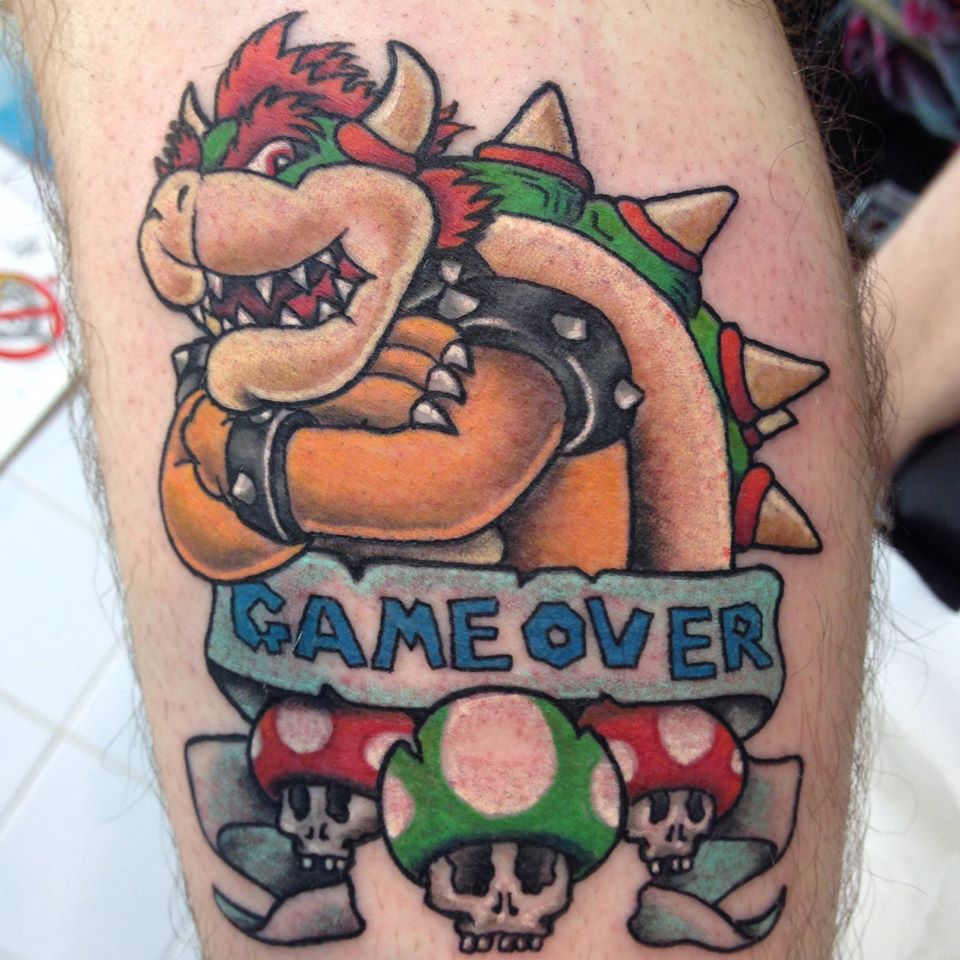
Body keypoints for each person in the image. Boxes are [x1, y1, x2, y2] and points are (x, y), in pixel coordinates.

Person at [12, 3, 880, 957]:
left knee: (671, 752)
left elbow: (444, 481)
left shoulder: (516, 326)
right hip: (431, 701)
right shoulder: (299, 363)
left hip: (587, 689)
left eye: (279, 163)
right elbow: (207, 527)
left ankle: (683, 865)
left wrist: (238, 445)